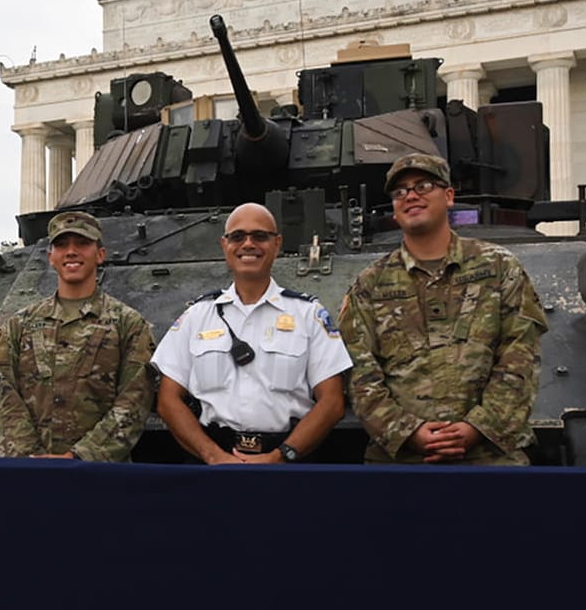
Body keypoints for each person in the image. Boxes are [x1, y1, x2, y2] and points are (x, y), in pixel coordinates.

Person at [338, 153, 547, 465]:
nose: (410, 196)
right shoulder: (370, 284)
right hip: (401, 461)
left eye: (423, 185)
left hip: (491, 456)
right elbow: (359, 371)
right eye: (400, 191)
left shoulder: (499, 267)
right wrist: (409, 432)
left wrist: (477, 427)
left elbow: (520, 355)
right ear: (395, 209)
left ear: (449, 196)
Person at [152, 203, 352, 464]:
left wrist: (281, 456)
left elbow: (332, 401)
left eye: (260, 236)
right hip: (212, 462)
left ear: (277, 244)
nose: (248, 244)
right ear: (225, 245)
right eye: (237, 236)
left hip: (289, 461)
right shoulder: (197, 316)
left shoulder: (308, 315)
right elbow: (168, 400)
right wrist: (213, 456)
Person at [0, 211, 155, 461]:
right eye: (61, 245)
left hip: (100, 475)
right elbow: (6, 397)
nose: (71, 251)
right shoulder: (18, 326)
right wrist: (27, 461)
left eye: (82, 243)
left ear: (100, 254)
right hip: (31, 476)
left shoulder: (128, 324)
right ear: (51, 258)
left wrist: (78, 458)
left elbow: (134, 400)